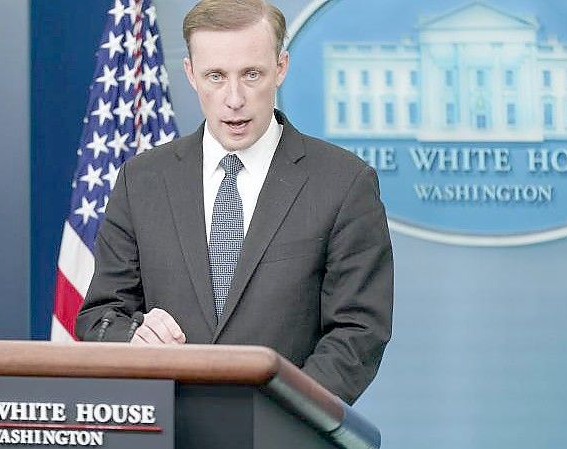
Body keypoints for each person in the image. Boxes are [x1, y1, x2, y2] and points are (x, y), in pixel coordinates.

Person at [76, 0, 393, 405]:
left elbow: (358, 333)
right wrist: (134, 337)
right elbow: (100, 316)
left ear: (281, 68)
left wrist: (286, 415)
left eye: (251, 74)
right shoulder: (141, 180)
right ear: (191, 74)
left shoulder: (344, 183)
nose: (234, 98)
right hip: (169, 425)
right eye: (215, 76)